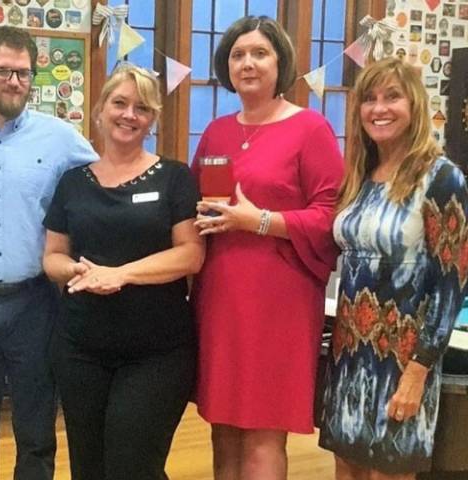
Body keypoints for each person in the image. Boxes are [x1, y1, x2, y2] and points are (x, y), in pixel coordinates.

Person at [0, 26, 98, 480]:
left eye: (24, 73)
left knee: (36, 427)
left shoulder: (61, 139)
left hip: (35, 301)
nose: (14, 81)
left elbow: (100, 189)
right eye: (4, 71)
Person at [191, 15, 344, 480]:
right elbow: (192, 204)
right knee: (223, 426)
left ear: (282, 63)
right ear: (226, 65)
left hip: (280, 297)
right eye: (238, 54)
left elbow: (330, 216)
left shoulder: (311, 128)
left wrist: (257, 220)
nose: (248, 63)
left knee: (262, 430)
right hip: (220, 293)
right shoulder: (216, 130)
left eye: (260, 53)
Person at [42, 63, 204, 480]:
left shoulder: (174, 178)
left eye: (142, 108)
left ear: (152, 120)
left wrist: (122, 274)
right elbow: (52, 257)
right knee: (88, 467)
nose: (129, 114)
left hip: (156, 353)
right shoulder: (72, 182)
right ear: (100, 110)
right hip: (80, 349)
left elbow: (190, 255)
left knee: (133, 467)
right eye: (120, 103)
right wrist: (80, 270)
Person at [318, 57, 468, 479]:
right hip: (349, 351)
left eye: (392, 97)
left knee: (390, 471)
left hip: (403, 356)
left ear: (415, 105)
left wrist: (418, 371)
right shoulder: (360, 176)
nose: (379, 108)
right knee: (346, 468)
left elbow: (451, 283)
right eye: (369, 99)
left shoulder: (441, 177)